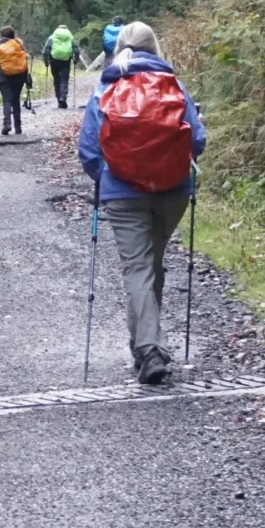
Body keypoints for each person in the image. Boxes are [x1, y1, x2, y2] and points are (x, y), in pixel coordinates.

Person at [77, 21, 207, 386]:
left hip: (122, 192)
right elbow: (196, 141)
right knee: (153, 265)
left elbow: (88, 150)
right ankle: (144, 347)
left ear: (118, 48)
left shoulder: (106, 87)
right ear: (156, 46)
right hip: (172, 191)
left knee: (138, 268)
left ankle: (149, 349)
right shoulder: (174, 85)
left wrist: (106, 176)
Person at [0, 25, 33, 136]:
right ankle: (18, 127)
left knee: (7, 100)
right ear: (13, 35)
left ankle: (7, 124)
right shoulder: (18, 45)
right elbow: (24, 63)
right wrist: (27, 79)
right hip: (19, 76)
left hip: (3, 77)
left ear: (2, 35)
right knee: (15, 100)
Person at [41, 23, 78, 108]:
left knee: (56, 79)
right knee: (64, 79)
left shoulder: (52, 37)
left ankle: (59, 98)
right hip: (66, 60)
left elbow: (46, 50)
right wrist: (76, 59)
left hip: (54, 60)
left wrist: (46, 61)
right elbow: (76, 48)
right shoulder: (70, 37)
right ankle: (63, 97)